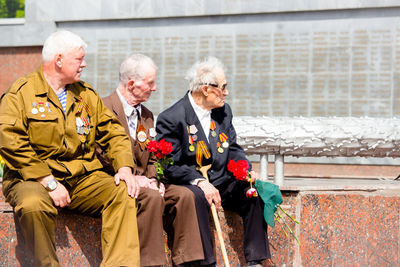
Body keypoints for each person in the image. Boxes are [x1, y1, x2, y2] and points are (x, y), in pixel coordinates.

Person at [0, 30, 140, 267]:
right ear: (59, 60)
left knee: (123, 191)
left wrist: (124, 168)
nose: (84, 64)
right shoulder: (21, 93)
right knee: (33, 204)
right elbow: (10, 140)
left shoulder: (85, 94)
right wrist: (48, 181)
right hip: (32, 179)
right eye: (79, 59)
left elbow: (114, 133)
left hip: (81, 178)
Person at [156, 56, 274, 267]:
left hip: (221, 179)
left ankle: (256, 260)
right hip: (193, 182)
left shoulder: (222, 112)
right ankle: (205, 262)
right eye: (223, 87)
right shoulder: (173, 117)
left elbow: (233, 147)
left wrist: (244, 170)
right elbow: (170, 164)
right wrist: (200, 182)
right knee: (197, 197)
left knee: (252, 192)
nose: (226, 92)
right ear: (206, 89)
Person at [97, 54, 204, 267]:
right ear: (131, 84)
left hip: (147, 182)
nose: (154, 88)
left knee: (185, 195)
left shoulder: (147, 115)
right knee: (151, 198)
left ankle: (188, 261)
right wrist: (136, 178)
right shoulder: (103, 108)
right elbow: (100, 153)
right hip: (117, 181)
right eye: (150, 83)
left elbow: (154, 156)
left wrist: (154, 179)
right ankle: (151, 263)